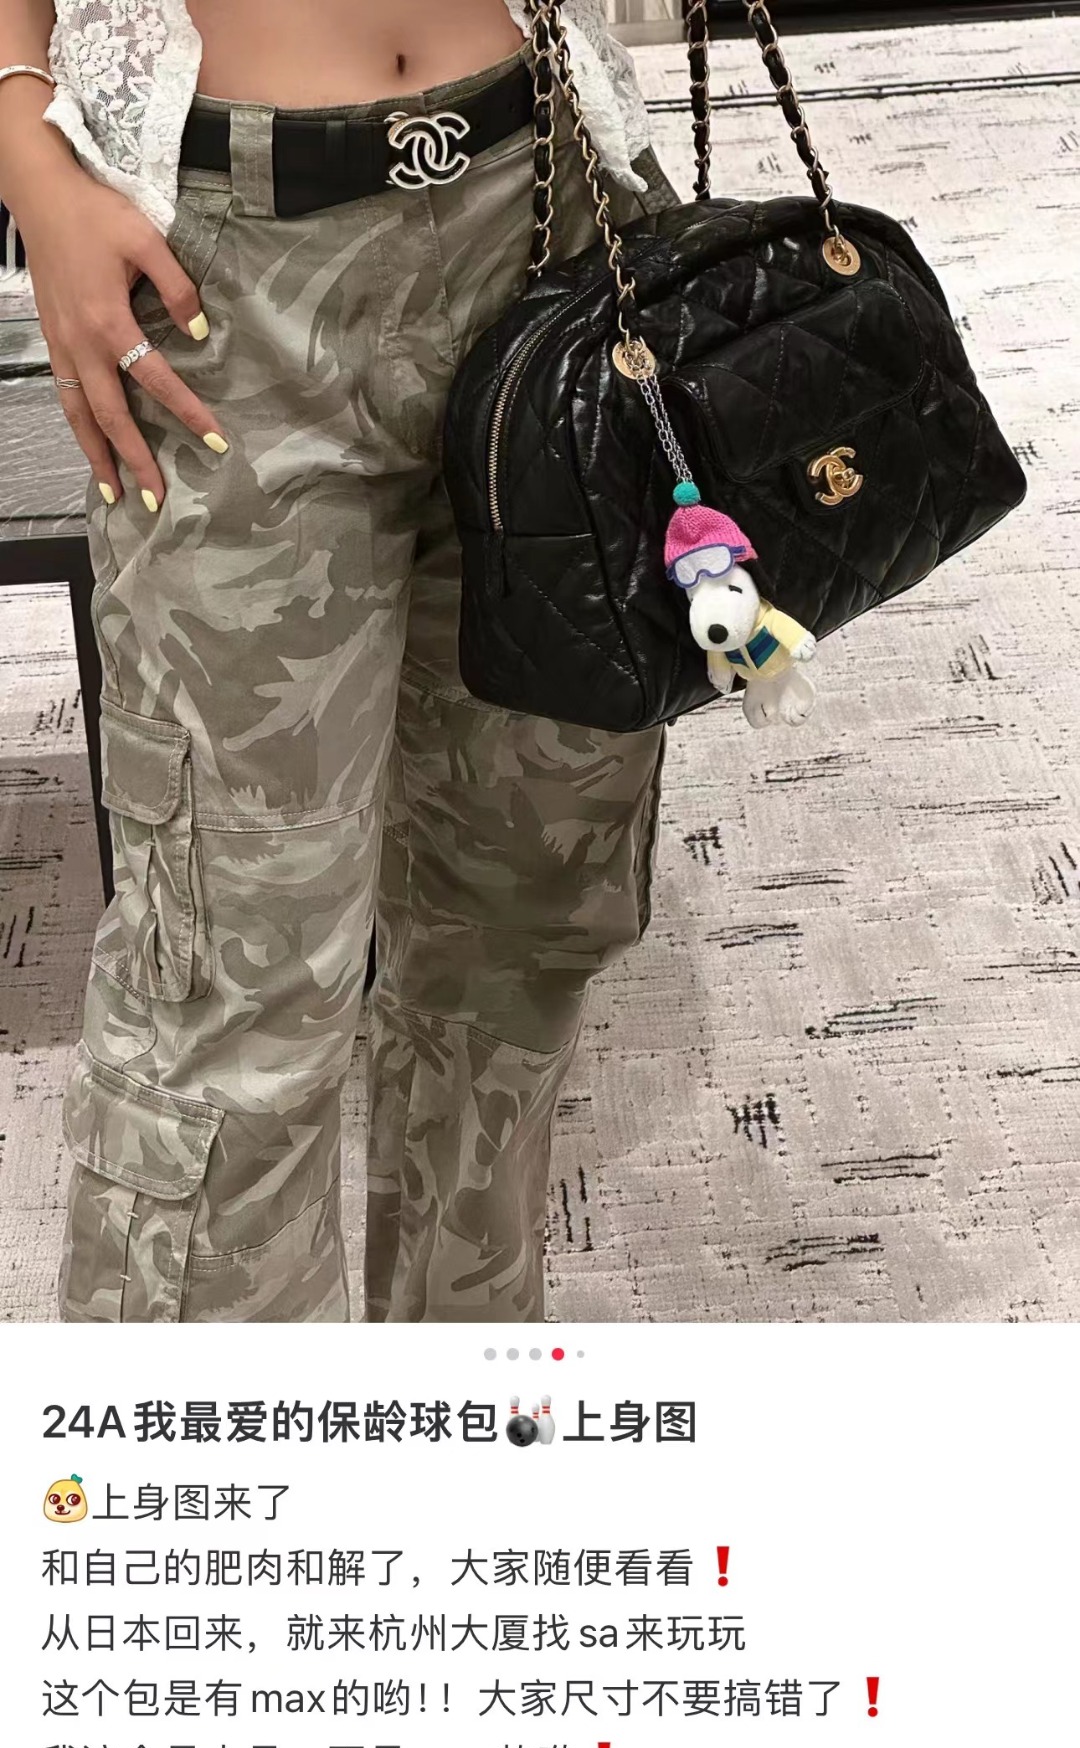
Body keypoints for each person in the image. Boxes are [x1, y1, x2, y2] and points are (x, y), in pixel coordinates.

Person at [0, 0, 679, 1323]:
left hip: (543, 198)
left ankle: (464, 1409)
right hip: (218, 276)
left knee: (516, 938)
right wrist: (27, 155)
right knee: (234, 1000)